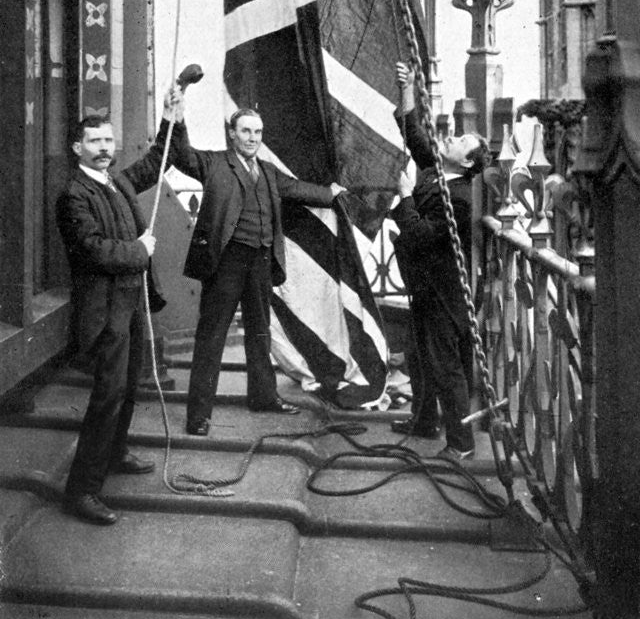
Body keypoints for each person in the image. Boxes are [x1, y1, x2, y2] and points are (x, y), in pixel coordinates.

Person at [173, 106, 346, 436]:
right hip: (225, 263)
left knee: (260, 332)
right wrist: (177, 117)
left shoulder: (267, 171)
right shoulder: (213, 163)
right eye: (246, 131)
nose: (252, 138)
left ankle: (263, 396)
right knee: (211, 339)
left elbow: (295, 189)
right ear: (232, 134)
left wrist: (330, 195)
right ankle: (198, 415)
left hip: (261, 262)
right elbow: (181, 155)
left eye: (257, 132)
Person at [56, 86, 185, 525]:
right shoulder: (73, 196)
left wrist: (170, 117)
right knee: (108, 395)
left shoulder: (117, 180)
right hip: (105, 310)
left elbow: (154, 162)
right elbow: (93, 251)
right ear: (78, 148)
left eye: (109, 141)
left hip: (131, 305)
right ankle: (82, 491)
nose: (105, 148)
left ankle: (115, 453)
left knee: (130, 387)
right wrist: (140, 250)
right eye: (95, 141)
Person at [389, 62, 490, 460]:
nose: (450, 139)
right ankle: (424, 419)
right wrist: (408, 89)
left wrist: (406, 197)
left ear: (467, 162)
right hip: (425, 285)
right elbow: (414, 135)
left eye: (461, 140)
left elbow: (423, 235)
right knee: (417, 354)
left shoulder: (461, 199)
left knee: (445, 365)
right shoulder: (436, 171)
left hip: (447, 295)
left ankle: (461, 444)